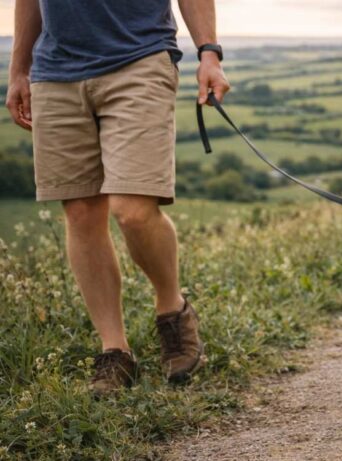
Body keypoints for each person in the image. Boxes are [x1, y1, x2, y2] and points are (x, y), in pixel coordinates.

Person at [5, 0, 230, 395]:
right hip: (56, 72)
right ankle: (115, 351)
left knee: (133, 211)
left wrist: (209, 52)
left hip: (139, 59)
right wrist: (19, 68)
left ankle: (172, 310)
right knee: (80, 212)